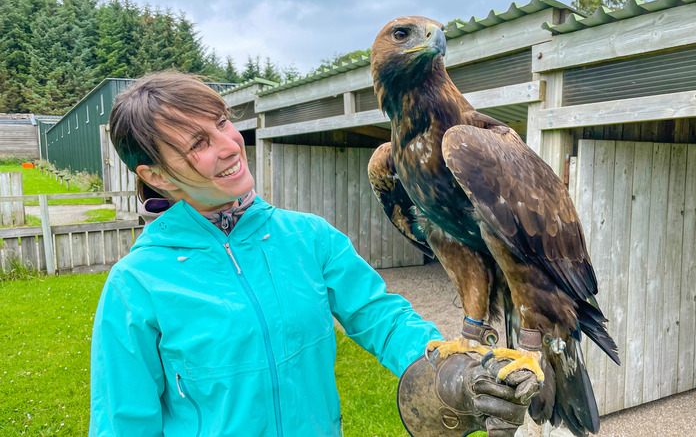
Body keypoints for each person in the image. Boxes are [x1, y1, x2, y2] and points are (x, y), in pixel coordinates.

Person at [89, 71, 535, 437]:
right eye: (197, 144)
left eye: (222, 123)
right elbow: (123, 423)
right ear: (157, 175)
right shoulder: (138, 283)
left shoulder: (309, 237)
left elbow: (382, 318)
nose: (229, 145)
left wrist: (451, 368)